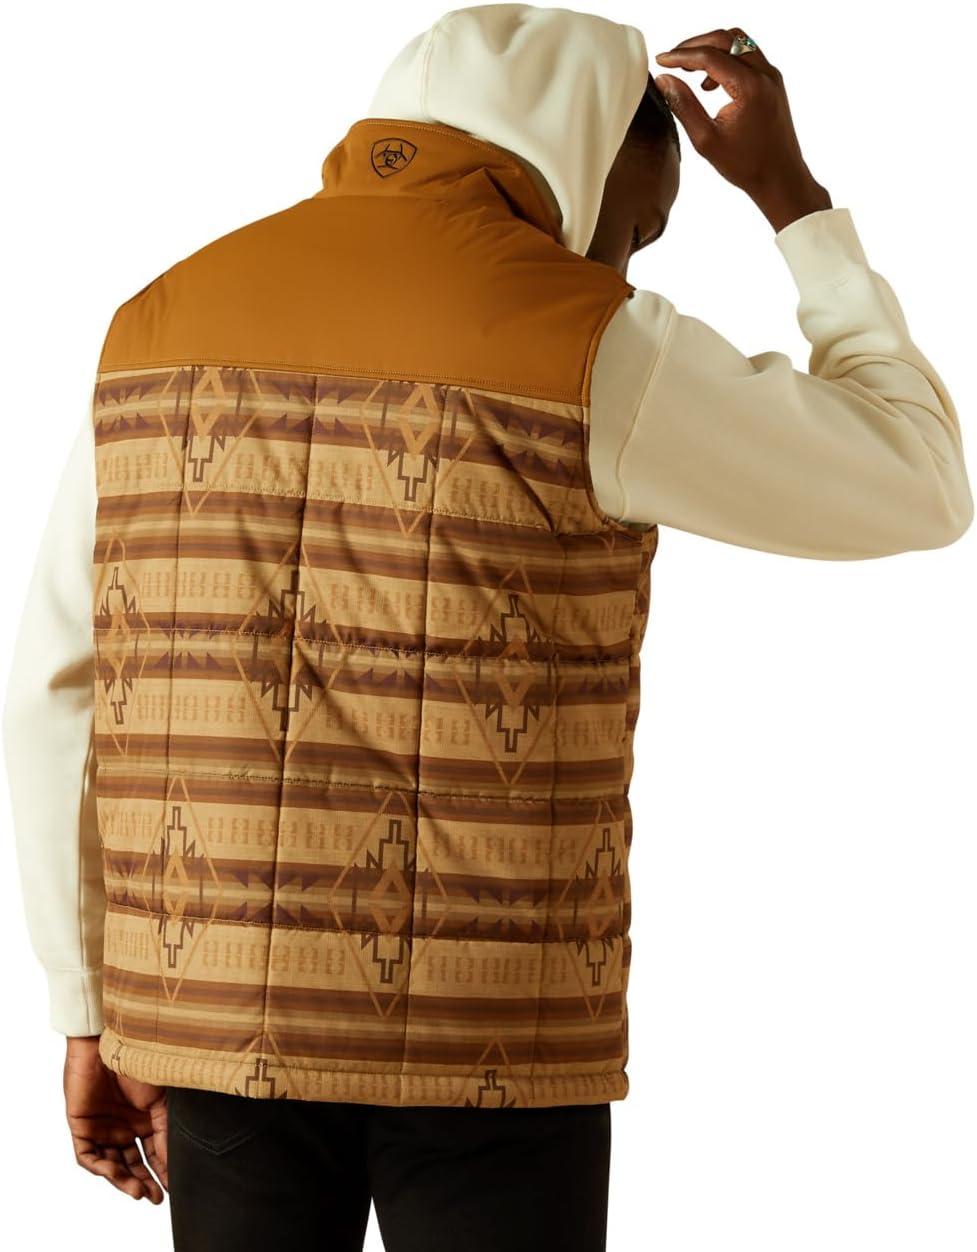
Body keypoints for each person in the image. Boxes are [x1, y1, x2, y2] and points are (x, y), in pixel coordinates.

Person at [3, 6, 972, 1251]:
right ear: (583, 161)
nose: (619, 265)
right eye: (635, 229)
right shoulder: (590, 340)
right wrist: (794, 203)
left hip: (209, 1019)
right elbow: (918, 481)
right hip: (496, 1038)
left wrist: (86, 1000)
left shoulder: (153, 320)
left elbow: (58, 682)